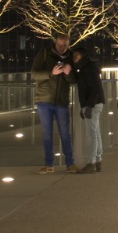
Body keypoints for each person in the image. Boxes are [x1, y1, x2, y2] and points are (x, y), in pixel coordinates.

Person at [31, 33, 77, 174]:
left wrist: (68, 74)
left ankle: (70, 163)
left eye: (64, 44)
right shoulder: (44, 54)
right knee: (47, 134)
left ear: (68, 44)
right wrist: (51, 73)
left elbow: (74, 80)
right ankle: (48, 164)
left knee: (65, 133)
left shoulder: (71, 58)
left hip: (62, 101)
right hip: (44, 100)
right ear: (55, 43)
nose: (62, 47)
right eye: (59, 44)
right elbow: (34, 74)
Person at [71, 45, 105, 173]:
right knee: (95, 132)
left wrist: (88, 106)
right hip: (94, 104)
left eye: (76, 56)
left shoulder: (88, 68)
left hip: (93, 104)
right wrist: (84, 106)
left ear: (83, 56)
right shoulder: (88, 68)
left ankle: (91, 162)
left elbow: (95, 88)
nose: (74, 59)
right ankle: (97, 160)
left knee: (91, 134)